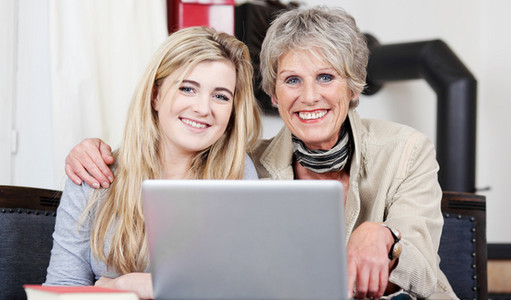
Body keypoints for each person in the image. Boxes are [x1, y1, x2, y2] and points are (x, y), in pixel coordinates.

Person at [64, 6, 458, 300]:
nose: (309, 96)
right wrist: (93, 151)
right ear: (272, 94)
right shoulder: (247, 166)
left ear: (354, 88)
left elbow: (422, 266)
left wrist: (383, 235)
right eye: (291, 80)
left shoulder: (406, 150)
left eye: (326, 77)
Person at [45, 26, 262, 300]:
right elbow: (62, 289)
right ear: (155, 95)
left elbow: (241, 288)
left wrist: (132, 285)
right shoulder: (94, 174)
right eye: (187, 88)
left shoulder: (238, 175)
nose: (203, 108)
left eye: (220, 96)